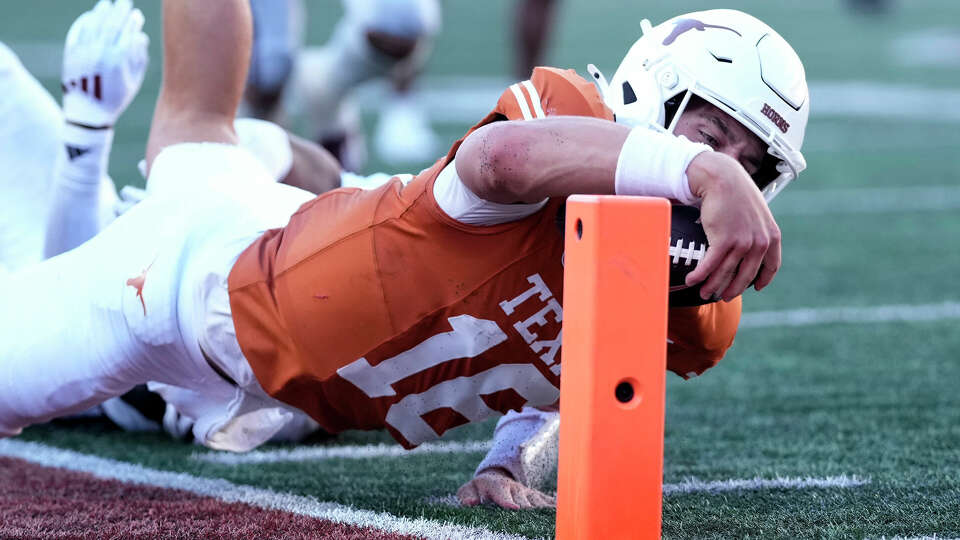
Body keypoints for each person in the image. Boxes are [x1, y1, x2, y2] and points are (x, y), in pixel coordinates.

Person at [0, 0, 806, 467]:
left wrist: (508, 460)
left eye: (753, 162)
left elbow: (576, 362)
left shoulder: (689, 300)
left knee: (200, 131)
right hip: (180, 289)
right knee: (197, 135)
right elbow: (503, 158)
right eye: (712, 134)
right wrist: (703, 172)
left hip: (266, 317)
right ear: (653, 95)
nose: (731, 168)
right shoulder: (564, 124)